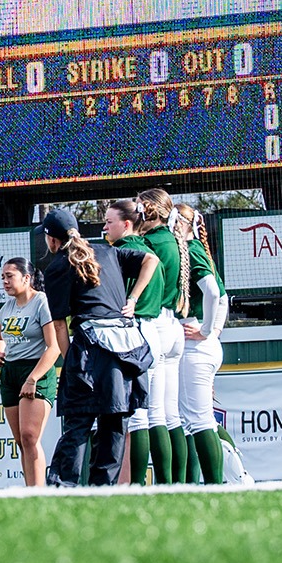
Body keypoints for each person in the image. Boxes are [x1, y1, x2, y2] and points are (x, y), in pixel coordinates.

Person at [42, 208, 158, 487]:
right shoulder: (108, 252)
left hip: (89, 348)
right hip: (125, 348)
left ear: (52, 240)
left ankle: (64, 487)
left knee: (78, 425)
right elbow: (151, 259)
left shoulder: (57, 266)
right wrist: (133, 298)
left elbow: (59, 325)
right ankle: (103, 490)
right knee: (115, 423)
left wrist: (72, 363)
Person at [111, 195, 182, 484]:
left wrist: (132, 298)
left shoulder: (129, 248)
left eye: (108, 222)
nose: (105, 227)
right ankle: (169, 484)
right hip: (161, 326)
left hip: (140, 327)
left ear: (127, 223)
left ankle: (138, 485)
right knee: (162, 415)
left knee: (141, 417)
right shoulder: (156, 243)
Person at [0, 257, 58, 487]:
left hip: (35, 371)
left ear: (27, 278)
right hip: (11, 373)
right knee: (21, 440)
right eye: (3, 277)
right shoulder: (6, 307)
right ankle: (29, 491)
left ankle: (39, 492)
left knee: (30, 436)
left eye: (10, 276)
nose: (5, 282)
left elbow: (55, 346)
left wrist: (33, 379)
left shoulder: (41, 302)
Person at [174, 204, 229, 483]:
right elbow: (223, 297)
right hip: (200, 342)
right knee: (191, 419)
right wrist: (213, 331)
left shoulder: (191, 249)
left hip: (193, 341)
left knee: (197, 419)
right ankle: (195, 487)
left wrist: (207, 330)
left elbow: (213, 291)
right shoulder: (195, 250)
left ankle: (215, 485)